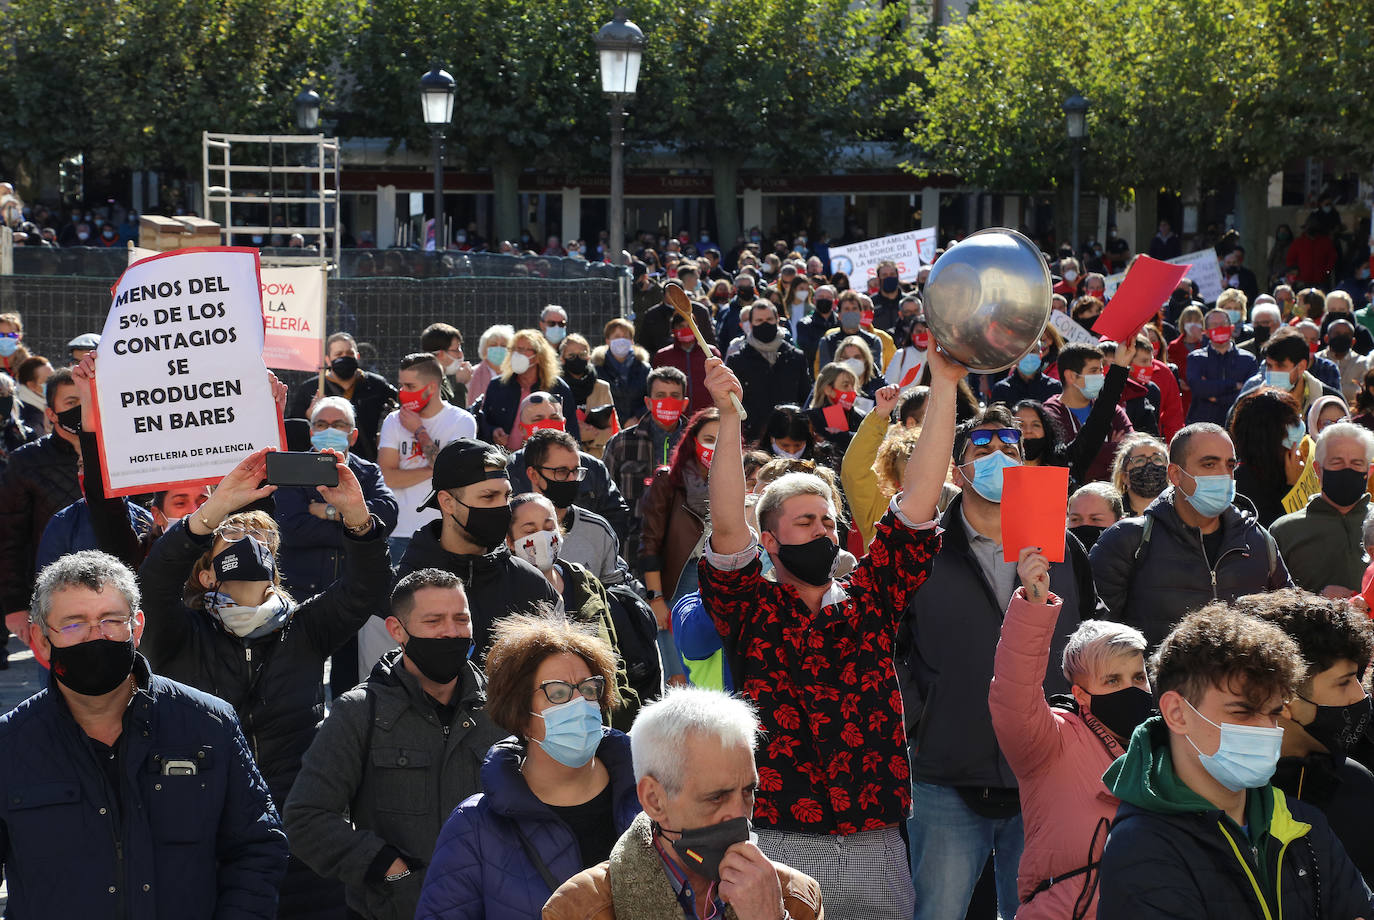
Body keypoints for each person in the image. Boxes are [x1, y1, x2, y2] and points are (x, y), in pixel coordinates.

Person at [697, 348, 951, 918]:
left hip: (874, 840)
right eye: (805, 522)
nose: (823, 532)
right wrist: (731, 419)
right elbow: (728, 524)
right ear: (770, 540)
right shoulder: (751, 608)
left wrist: (947, 386)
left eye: (829, 522)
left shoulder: (870, 601)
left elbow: (918, 503)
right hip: (780, 838)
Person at [0, 550, 289, 918]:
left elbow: (258, 848)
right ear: (41, 641)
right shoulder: (9, 745)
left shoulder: (208, 724)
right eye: (74, 624)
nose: (96, 636)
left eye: (110, 620)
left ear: (135, 627)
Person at [902, 397, 1103, 920]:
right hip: (947, 771)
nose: (997, 453)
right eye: (982, 445)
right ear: (958, 466)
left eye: (1009, 444)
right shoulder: (921, 550)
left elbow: (1089, 640)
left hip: (1048, 774)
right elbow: (894, 646)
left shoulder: (1062, 548)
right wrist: (921, 717)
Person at [1097, 605, 1374, 919]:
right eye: (1241, 712)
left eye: (1271, 713)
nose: (1265, 730)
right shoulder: (1141, 847)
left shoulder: (1303, 822)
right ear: (1177, 712)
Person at [284, 569, 508, 920]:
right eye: (434, 621)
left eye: (461, 619)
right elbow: (304, 818)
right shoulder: (359, 712)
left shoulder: (502, 710)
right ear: (397, 631)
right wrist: (388, 869)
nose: (451, 632)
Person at [413, 612, 640, 920]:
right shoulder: (474, 827)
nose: (580, 704)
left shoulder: (652, 795)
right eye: (558, 693)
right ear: (521, 716)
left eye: (589, 689)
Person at [543, 686, 824, 920]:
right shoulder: (578, 909)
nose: (740, 815)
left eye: (748, 792)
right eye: (716, 797)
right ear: (654, 800)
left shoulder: (794, 895)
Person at [989, 548, 1153, 920]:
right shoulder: (1052, 741)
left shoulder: (1166, 748)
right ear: (1081, 693)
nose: (1132, 689)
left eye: (1139, 677)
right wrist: (1032, 604)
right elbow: (1014, 694)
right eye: (1112, 680)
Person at [1090, 423, 1292, 648]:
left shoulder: (1258, 541)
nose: (1223, 475)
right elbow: (1097, 638)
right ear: (1175, 474)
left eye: (1230, 465)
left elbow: (1290, 625)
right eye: (1209, 464)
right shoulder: (1128, 541)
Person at [1243, 589, 1374, 883]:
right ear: (1284, 698)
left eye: (1358, 678)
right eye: (1343, 683)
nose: (1359, 695)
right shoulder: (1230, 792)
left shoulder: (1357, 785)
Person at [0, 365, 83, 664]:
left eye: (88, 399)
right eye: (72, 403)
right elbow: (10, 539)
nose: (82, 409)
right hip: (49, 601)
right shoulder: (26, 463)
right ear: (51, 413)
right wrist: (15, 607)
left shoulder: (120, 456)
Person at [379, 353, 477, 560]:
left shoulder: (461, 421)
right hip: (399, 532)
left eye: (410, 386)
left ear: (431, 388)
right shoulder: (393, 420)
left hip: (443, 532)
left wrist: (419, 431)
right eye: (401, 385)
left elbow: (451, 474)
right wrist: (433, 468)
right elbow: (388, 477)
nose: (402, 392)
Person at [521, 429, 637, 590]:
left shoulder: (598, 530)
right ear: (533, 475)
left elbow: (616, 590)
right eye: (561, 472)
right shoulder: (512, 529)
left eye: (576, 471)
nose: (572, 479)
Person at [1270, 422, 1373, 596]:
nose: (1347, 470)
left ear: (1369, 472)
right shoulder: (1284, 531)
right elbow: (1268, 602)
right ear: (1318, 470)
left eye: (1356, 463)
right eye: (1337, 462)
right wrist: (1317, 601)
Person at [602, 366, 689, 572]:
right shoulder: (621, 443)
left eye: (674, 396)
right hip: (633, 551)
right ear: (648, 402)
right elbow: (604, 500)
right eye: (660, 395)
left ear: (684, 403)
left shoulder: (696, 442)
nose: (667, 401)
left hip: (685, 550)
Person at [286, 332, 398, 461]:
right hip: (322, 461)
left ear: (358, 356)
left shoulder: (377, 385)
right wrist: (309, 417)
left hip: (366, 463)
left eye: (349, 353)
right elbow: (294, 432)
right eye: (338, 354)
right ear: (328, 360)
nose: (345, 358)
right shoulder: (311, 388)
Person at [1042, 341, 1136, 483]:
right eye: (1093, 371)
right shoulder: (1050, 414)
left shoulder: (1114, 410)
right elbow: (1075, 457)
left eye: (1101, 371)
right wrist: (1113, 448)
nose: (1100, 377)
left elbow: (1132, 450)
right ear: (1071, 376)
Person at [727, 299, 812, 443]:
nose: (765, 323)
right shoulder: (737, 360)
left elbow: (805, 398)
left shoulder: (796, 357)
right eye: (759, 320)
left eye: (769, 319)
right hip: (752, 438)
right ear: (751, 324)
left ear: (777, 320)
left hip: (789, 438)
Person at [478, 328, 580, 447]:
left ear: (538, 356)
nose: (518, 354)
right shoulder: (497, 385)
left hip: (544, 458)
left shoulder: (557, 387)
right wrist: (493, 432)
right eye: (515, 349)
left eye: (523, 350)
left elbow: (571, 430)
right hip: (504, 458)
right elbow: (483, 421)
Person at [1230, 387, 1309, 526]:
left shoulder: (1293, 468)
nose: (1299, 426)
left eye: (1298, 418)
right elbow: (1281, 533)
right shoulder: (1239, 487)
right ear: (1269, 437)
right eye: (1291, 423)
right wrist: (1292, 489)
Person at [1186, 307, 1258, 424]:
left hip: (1238, 424)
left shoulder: (1248, 359)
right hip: (1203, 425)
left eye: (1223, 324)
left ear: (1231, 328)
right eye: (1214, 325)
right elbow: (1199, 388)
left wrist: (1217, 398)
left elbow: (1250, 394)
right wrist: (1234, 385)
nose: (1219, 328)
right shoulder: (1196, 358)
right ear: (1207, 332)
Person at [558, 333, 618, 458]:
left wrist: (592, 436)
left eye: (582, 354)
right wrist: (577, 435)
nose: (577, 359)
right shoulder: (556, 387)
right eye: (571, 355)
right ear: (562, 359)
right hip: (563, 457)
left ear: (589, 357)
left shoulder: (602, 387)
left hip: (597, 458)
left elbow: (614, 430)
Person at [653, 311, 723, 414]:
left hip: (707, 414)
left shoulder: (710, 353)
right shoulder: (663, 356)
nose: (686, 329)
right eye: (680, 326)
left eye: (690, 326)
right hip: (675, 415)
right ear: (673, 330)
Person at [594, 318, 652, 428]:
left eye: (625, 337)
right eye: (616, 337)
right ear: (607, 340)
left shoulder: (644, 368)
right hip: (607, 427)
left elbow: (652, 396)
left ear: (632, 341)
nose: (621, 340)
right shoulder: (597, 369)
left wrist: (637, 417)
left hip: (639, 427)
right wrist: (620, 420)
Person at [993, 331, 1064, 405]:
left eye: (1032, 351)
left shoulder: (1055, 388)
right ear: (1014, 357)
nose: (1028, 355)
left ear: (1040, 355)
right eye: (1023, 352)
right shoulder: (1001, 390)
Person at [1109, 433, 1170, 516]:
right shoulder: (1112, 513)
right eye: (1139, 461)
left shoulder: (1184, 511)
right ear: (1124, 476)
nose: (1149, 464)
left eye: (1157, 459)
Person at [423, 322, 474, 407]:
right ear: (441, 354)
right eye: (456, 350)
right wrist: (461, 384)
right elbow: (455, 416)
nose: (460, 355)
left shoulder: (441, 378)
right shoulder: (428, 384)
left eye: (460, 348)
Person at [1066, 482, 1124, 551]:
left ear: (1119, 522)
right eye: (1075, 519)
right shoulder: (1056, 560)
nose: (1085, 524)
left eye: (1095, 519)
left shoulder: (1133, 559)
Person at [467, 323, 514, 409]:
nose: (498, 348)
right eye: (493, 345)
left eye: (503, 345)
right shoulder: (472, 374)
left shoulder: (516, 375)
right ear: (485, 349)